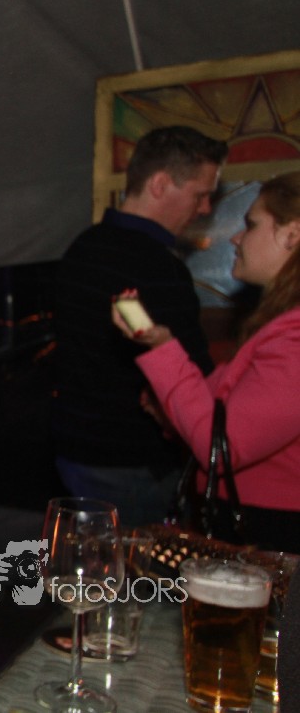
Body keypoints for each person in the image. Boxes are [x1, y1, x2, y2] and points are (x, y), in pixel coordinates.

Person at [112, 172, 300, 552]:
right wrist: (171, 407)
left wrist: (162, 347)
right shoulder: (282, 326)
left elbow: (222, 447)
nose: (236, 238)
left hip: (273, 537)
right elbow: (222, 409)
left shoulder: (295, 339)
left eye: (251, 225)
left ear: (292, 235)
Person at [52, 125, 228, 526]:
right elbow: (191, 374)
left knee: (92, 560)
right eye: (200, 195)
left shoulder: (83, 245)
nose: (204, 209)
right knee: (137, 566)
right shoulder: (157, 266)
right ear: (160, 184)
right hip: (133, 462)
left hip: (77, 449)